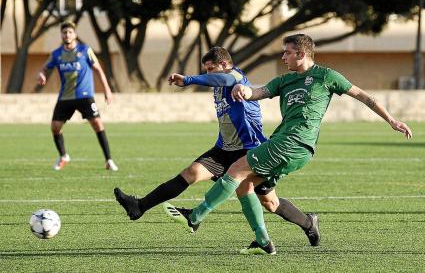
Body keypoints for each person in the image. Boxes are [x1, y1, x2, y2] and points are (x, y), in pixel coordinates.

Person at [164, 34, 413, 255]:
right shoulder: (284, 81)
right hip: (282, 142)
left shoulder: (326, 76)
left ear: (301, 54)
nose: (283, 56)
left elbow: (363, 96)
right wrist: (242, 88)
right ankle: (279, 235)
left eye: (287, 52)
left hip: (295, 142)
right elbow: (257, 92)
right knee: (249, 189)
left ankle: (195, 217)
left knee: (235, 172)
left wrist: (391, 120)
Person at [114, 47, 320, 246]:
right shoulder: (218, 88)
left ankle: (308, 223)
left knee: (270, 202)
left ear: (224, 64)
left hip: (251, 149)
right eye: (206, 70)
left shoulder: (236, 77)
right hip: (224, 149)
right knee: (191, 172)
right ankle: (139, 206)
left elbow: (225, 78)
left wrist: (188, 79)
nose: (209, 74)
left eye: (211, 68)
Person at [37, 21, 118, 171]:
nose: (67, 35)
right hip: (65, 97)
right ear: (61, 35)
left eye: (69, 32)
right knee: (55, 127)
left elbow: (98, 69)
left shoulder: (85, 50)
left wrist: (107, 89)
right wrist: (42, 75)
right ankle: (63, 156)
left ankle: (109, 160)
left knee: (97, 124)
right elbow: (44, 68)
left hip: (85, 95)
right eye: (64, 32)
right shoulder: (56, 54)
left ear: (74, 34)